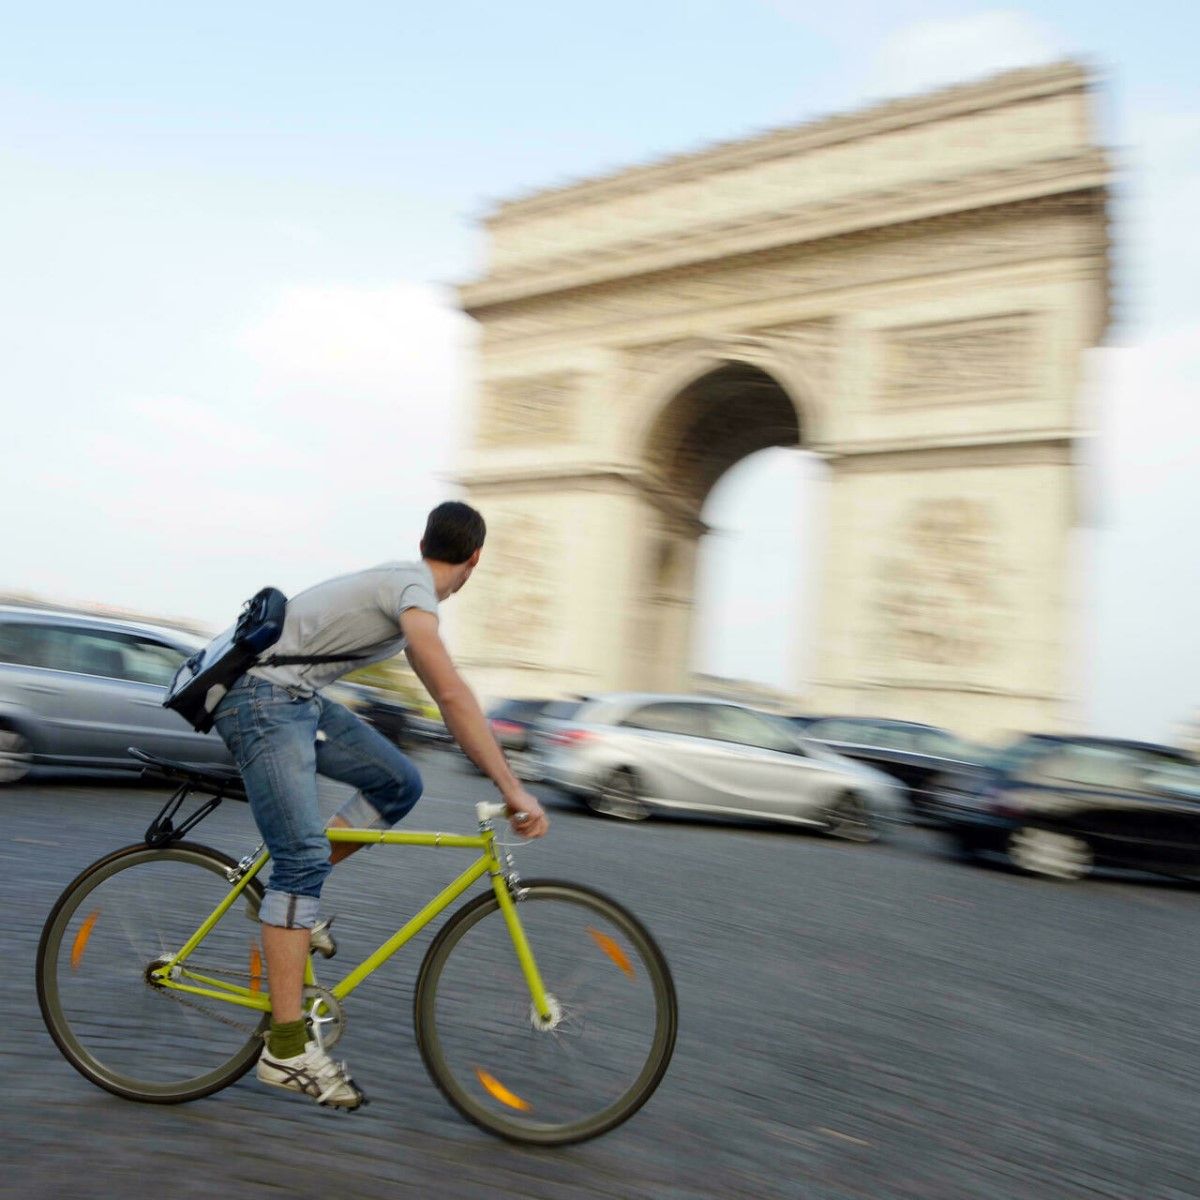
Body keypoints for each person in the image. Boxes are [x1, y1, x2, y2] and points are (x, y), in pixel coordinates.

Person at [209, 500, 548, 1110]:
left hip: (294, 699)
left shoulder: (402, 578)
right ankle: (285, 1050)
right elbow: (448, 692)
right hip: (261, 701)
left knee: (401, 784)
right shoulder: (416, 594)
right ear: (474, 558)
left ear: (428, 540)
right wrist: (511, 787)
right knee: (302, 859)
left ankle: (295, 901)